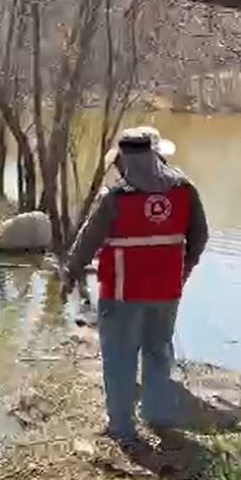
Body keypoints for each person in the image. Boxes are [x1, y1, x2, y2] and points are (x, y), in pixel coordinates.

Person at [60, 127, 209, 447]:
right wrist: (183, 272)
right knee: (158, 353)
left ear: (124, 159)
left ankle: (122, 428)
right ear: (155, 156)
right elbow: (200, 237)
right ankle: (158, 417)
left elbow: (87, 242)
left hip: (122, 293)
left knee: (119, 358)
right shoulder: (184, 190)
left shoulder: (115, 196)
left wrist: (70, 273)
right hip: (167, 292)